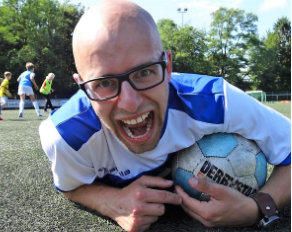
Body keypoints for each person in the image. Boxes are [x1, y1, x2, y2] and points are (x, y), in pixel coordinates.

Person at [39, 1, 291, 232]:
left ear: (168, 66)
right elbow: (71, 187)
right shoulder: (65, 136)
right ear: (82, 86)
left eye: (144, 72)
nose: (130, 103)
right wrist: (109, 201)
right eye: (104, 83)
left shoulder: (216, 101)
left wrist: (257, 208)